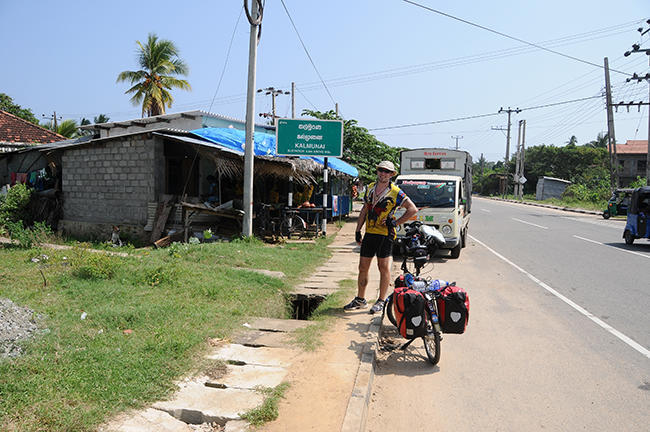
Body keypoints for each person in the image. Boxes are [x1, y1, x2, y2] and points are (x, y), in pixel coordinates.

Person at [344, 161, 418, 314]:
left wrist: (396, 222)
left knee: (383, 268)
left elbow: (412, 209)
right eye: (381, 170)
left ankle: (381, 300)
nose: (383, 174)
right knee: (363, 267)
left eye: (387, 172)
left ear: (392, 175)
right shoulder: (370, 188)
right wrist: (358, 230)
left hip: (385, 235)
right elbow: (365, 208)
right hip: (370, 233)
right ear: (377, 171)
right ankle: (360, 299)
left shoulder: (396, 191)